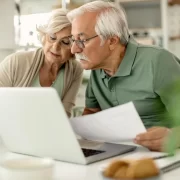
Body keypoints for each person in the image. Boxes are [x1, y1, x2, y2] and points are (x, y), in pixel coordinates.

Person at [67, 1, 180, 151]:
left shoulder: (157, 62)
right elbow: (93, 112)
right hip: (119, 153)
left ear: (112, 41)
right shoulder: (97, 67)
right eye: (73, 40)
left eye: (82, 40)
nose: (74, 49)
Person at [0, 9, 83, 117]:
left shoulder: (75, 70)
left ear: (74, 47)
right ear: (44, 37)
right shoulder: (14, 62)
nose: (55, 47)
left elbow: (64, 114)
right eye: (52, 37)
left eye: (65, 42)